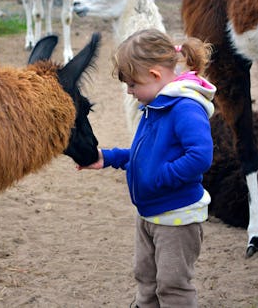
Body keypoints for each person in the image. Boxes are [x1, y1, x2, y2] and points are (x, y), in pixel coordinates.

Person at [79, 28, 216, 308]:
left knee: (173, 285)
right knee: (146, 276)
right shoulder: (156, 104)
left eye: (132, 84)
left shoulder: (184, 108)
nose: (130, 92)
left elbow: (200, 156)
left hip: (177, 218)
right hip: (150, 213)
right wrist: (109, 157)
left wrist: (160, 177)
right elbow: (147, 155)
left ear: (154, 75)